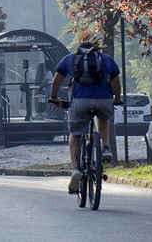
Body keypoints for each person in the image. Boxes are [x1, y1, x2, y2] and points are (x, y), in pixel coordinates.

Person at [49, 42, 122, 193]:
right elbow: (116, 82)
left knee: (75, 134)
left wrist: (54, 97)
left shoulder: (70, 59)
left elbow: (56, 80)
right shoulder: (106, 59)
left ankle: (76, 169)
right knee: (103, 117)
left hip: (81, 101)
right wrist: (117, 98)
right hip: (104, 100)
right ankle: (106, 148)